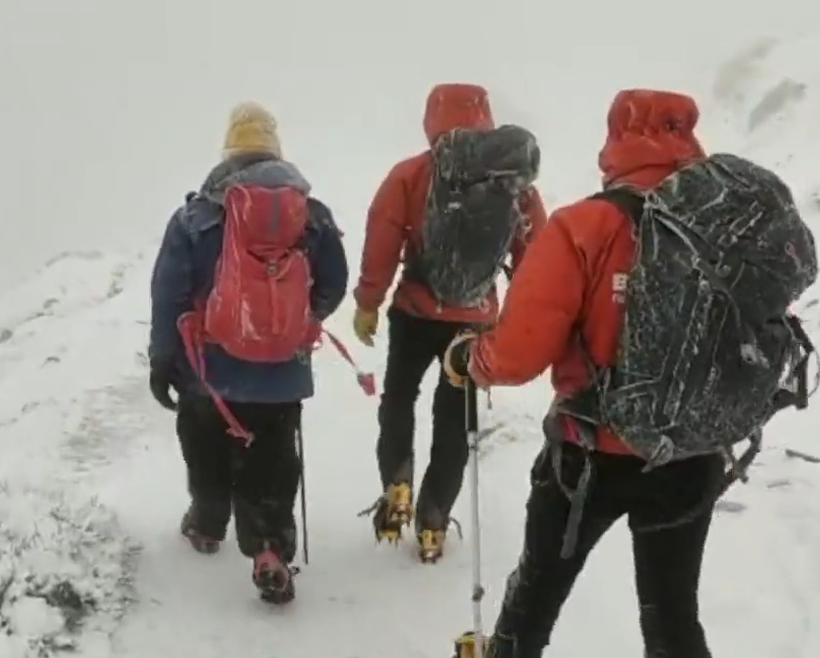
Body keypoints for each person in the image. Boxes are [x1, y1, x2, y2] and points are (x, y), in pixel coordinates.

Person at [441, 89, 818, 658]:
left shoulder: (585, 226)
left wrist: (471, 359)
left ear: (616, 137)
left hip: (588, 458)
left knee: (535, 595)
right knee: (672, 620)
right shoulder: (730, 232)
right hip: (688, 454)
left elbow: (516, 355)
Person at [147, 102, 349, 604]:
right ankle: (270, 549)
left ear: (229, 151)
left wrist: (161, 360)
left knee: (205, 445)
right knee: (275, 458)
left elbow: (168, 293)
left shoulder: (195, 217)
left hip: (208, 370)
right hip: (281, 372)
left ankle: (208, 523)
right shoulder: (312, 215)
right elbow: (335, 282)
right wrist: (301, 320)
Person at [352, 83, 548, 563]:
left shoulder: (413, 174)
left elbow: (382, 236)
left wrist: (368, 301)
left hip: (415, 312)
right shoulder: (514, 182)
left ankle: (397, 485)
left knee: (399, 398)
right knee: (455, 420)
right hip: (475, 321)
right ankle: (434, 519)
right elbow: (537, 257)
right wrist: (518, 318)